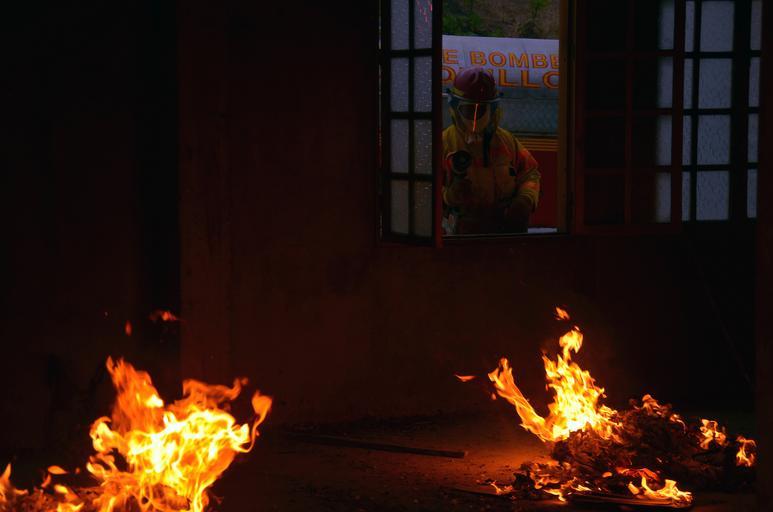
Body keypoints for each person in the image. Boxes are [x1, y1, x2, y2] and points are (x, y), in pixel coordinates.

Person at [442, 67, 541, 235]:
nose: (474, 119)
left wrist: (525, 199)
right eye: (469, 110)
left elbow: (531, 173)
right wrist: (448, 196)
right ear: (455, 107)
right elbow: (423, 190)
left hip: (503, 236)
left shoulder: (507, 142)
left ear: (492, 109)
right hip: (459, 239)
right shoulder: (444, 143)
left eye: (481, 109)